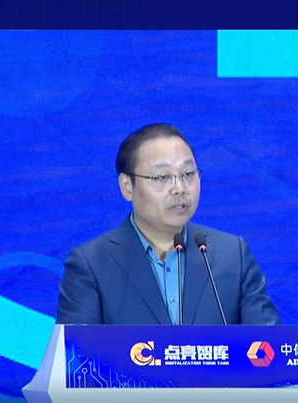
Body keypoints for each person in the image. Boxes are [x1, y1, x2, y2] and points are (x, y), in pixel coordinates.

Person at [55, 123, 281, 325]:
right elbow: (76, 355)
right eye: (162, 177)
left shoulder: (232, 255)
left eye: (188, 173)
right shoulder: (91, 264)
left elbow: (270, 347)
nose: (180, 188)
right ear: (127, 186)